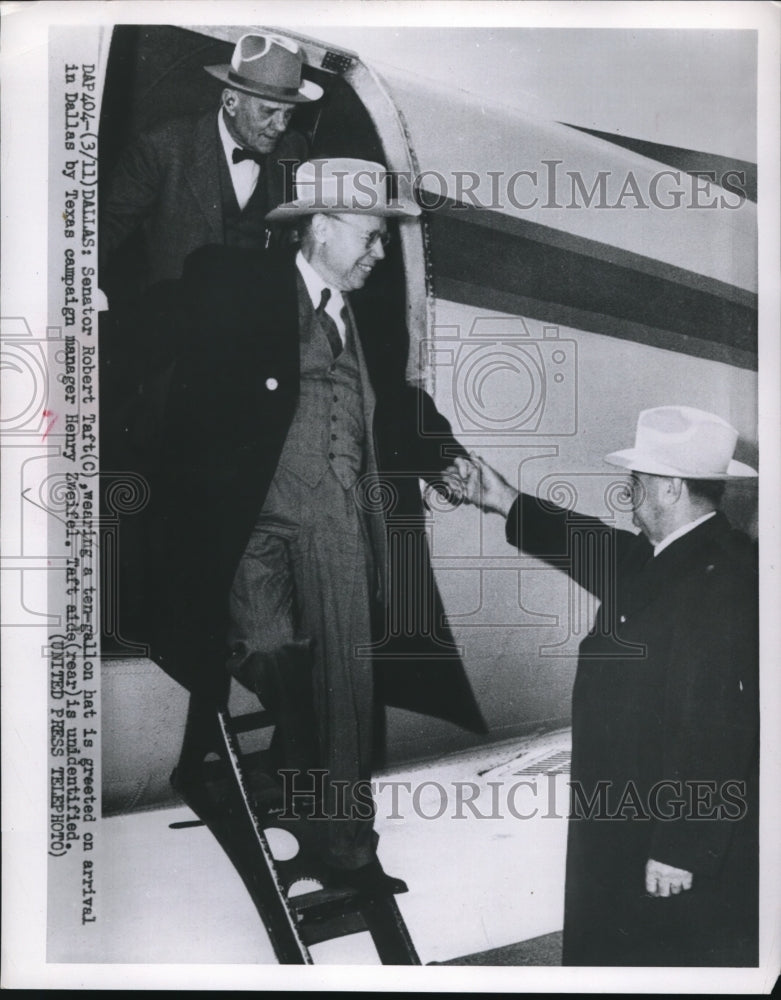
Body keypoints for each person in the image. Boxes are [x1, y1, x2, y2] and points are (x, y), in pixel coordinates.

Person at [143, 158, 485, 896]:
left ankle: (348, 850)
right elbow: (155, 322)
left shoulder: (370, 320)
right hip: (250, 518)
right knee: (264, 644)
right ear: (320, 225)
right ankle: (296, 765)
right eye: (370, 235)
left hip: (339, 519)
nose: (379, 251)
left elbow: (398, 405)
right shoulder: (232, 281)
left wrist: (446, 459)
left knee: (348, 678)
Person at [458, 406, 758, 966]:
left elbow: (718, 724)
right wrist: (502, 498)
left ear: (669, 488)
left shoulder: (724, 578)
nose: (630, 492)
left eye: (637, 481)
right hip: (628, 816)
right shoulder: (667, 557)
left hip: (661, 834)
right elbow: (587, 542)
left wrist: (680, 847)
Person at [99, 32, 320, 295]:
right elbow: (106, 228)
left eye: (288, 114)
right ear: (230, 101)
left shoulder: (294, 148)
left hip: (255, 315)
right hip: (176, 312)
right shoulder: (162, 147)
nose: (281, 126)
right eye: (268, 111)